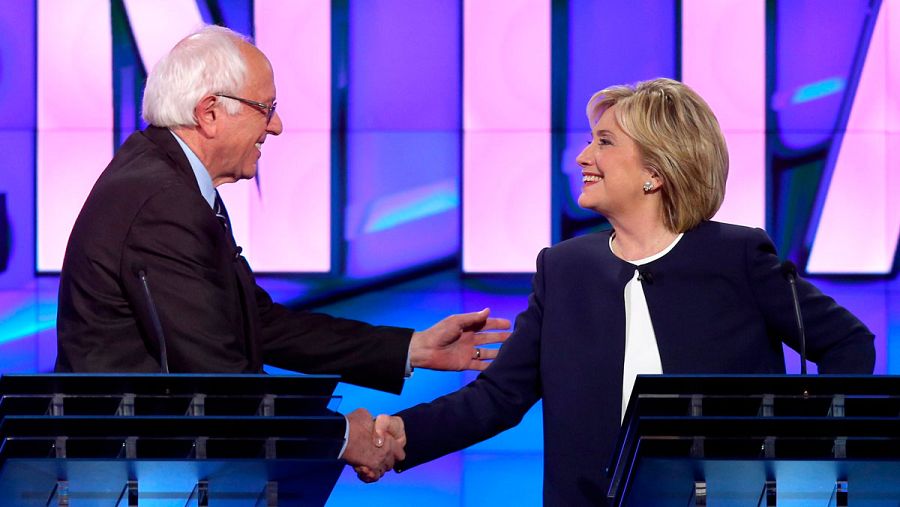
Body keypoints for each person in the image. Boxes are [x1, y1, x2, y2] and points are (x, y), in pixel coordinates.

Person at [369, 78, 875, 504]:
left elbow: (848, 342)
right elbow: (499, 397)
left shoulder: (736, 257)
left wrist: (802, 449)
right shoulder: (564, 269)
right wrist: (401, 434)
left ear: (655, 172)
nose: (584, 155)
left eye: (605, 142)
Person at [54, 25, 508, 475]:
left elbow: (259, 323)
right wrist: (343, 436)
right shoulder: (162, 202)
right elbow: (216, 379)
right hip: (133, 476)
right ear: (209, 112)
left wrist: (412, 348)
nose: (276, 126)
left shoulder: (166, 180)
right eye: (265, 108)